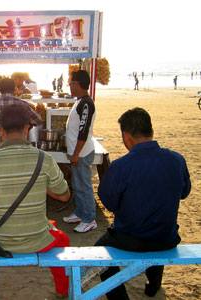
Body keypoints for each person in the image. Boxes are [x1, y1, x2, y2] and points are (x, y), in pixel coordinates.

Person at [0, 104, 71, 298]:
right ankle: (63, 291)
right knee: (62, 240)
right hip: (37, 239)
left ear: (1, 130)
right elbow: (64, 195)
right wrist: (40, 185)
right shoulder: (44, 159)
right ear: (28, 128)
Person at [95, 107, 191, 299]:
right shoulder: (176, 160)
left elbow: (109, 202)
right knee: (156, 228)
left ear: (126, 136)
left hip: (131, 239)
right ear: (150, 131)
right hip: (166, 237)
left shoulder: (121, 166)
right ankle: (154, 284)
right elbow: (184, 193)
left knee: (98, 254)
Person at [63, 70, 97, 233]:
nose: (69, 86)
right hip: (76, 152)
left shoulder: (87, 104)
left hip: (82, 153)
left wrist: (76, 154)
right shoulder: (80, 101)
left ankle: (89, 219)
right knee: (77, 185)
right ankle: (80, 212)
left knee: (84, 186)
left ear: (78, 84)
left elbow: (83, 131)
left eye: (71, 83)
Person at [0, 77, 41, 149]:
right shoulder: (23, 104)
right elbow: (38, 120)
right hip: (21, 150)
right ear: (14, 88)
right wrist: (29, 124)